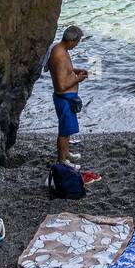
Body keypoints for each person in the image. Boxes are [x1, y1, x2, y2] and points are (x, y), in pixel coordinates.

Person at [48, 25, 89, 165]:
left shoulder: (61, 49)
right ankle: (62, 160)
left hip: (67, 98)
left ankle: (66, 153)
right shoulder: (59, 55)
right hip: (64, 98)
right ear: (71, 41)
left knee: (66, 129)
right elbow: (60, 87)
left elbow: (65, 71)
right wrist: (78, 79)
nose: (77, 45)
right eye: (77, 42)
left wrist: (76, 71)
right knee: (64, 131)